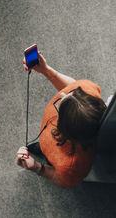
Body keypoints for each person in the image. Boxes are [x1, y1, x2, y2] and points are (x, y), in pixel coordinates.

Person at [15, 50, 106, 188]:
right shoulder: (87, 91)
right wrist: (46, 70)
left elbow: (63, 181)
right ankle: (41, 147)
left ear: (64, 129)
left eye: (60, 106)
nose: (62, 94)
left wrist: (37, 167)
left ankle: (44, 151)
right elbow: (70, 87)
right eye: (70, 94)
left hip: (56, 156)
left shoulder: (71, 165)